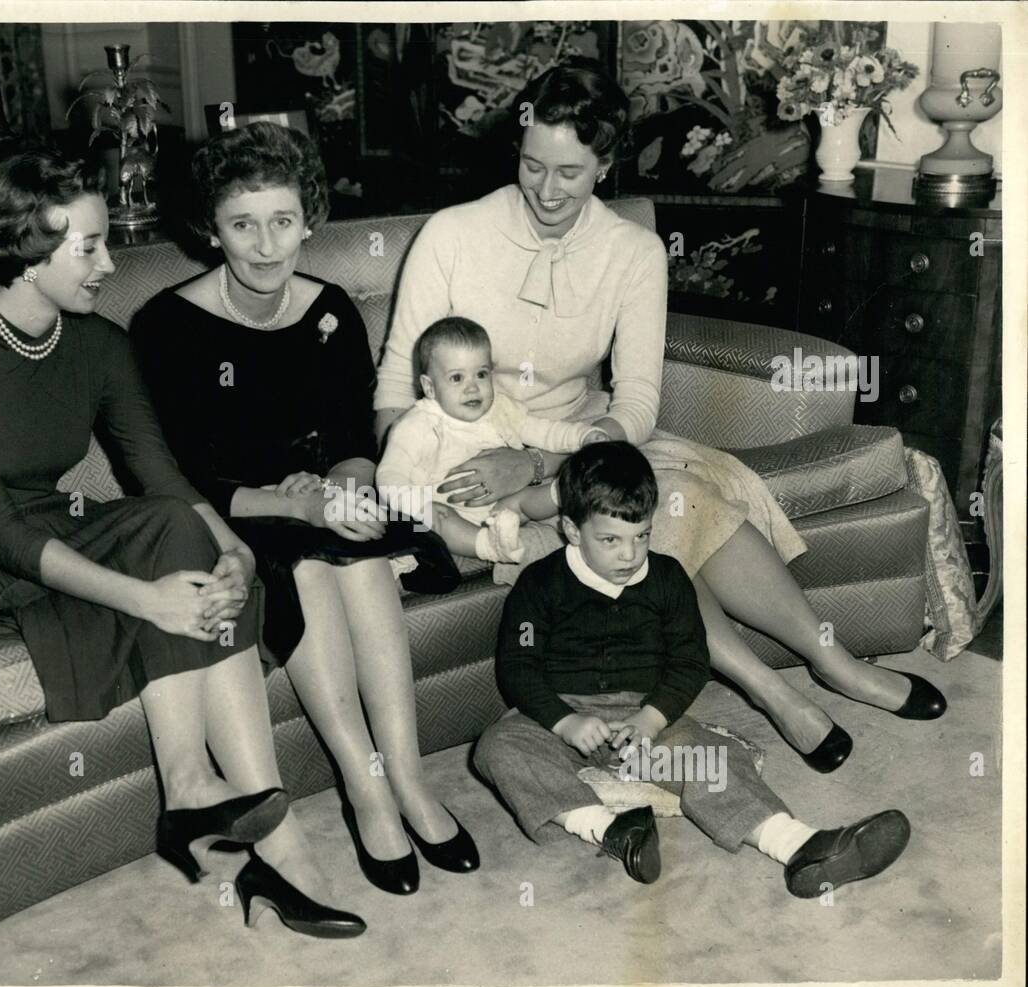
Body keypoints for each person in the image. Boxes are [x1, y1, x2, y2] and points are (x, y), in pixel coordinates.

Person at [374, 58, 946, 775]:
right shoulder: (452, 235)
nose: (547, 191)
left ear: (606, 165)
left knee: (676, 499)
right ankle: (771, 690)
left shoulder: (633, 251)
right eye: (532, 166)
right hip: (469, 460)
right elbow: (395, 393)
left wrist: (558, 463)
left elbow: (637, 401)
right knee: (639, 522)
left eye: (571, 173)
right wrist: (438, 469)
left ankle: (834, 661)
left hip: (578, 440)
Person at [0, 149, 363, 940]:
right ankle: (263, 843)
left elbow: (161, 476)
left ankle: (194, 793)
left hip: (51, 522)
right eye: (90, 247)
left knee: (178, 530)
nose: (112, 262)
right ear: (26, 252)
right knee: (161, 565)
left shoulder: (99, 344)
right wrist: (146, 597)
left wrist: (234, 551)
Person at [130, 122, 479, 897]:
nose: (265, 245)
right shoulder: (166, 328)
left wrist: (344, 488)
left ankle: (409, 782)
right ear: (209, 230)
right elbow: (182, 478)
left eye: (282, 221)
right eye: (242, 224)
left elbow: (355, 438)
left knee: (358, 563)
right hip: (235, 515)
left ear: (308, 218)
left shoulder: (330, 312)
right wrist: (309, 509)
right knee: (313, 565)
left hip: (327, 503)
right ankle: (364, 789)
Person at [475, 442, 913, 896]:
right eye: (610, 540)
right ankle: (609, 830)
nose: (629, 555)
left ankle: (801, 846)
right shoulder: (539, 584)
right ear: (570, 528)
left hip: (645, 715)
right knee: (498, 746)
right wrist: (563, 721)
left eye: (641, 536)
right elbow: (518, 666)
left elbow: (689, 660)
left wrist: (653, 717)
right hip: (560, 711)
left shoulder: (666, 579)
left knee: (713, 759)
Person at [375, 315, 603, 563]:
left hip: (499, 505)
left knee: (528, 498)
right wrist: (417, 506)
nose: (472, 388)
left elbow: (543, 430)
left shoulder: (501, 409)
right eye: (457, 378)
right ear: (429, 387)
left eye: (481, 374)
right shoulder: (417, 425)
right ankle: (488, 546)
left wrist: (583, 437)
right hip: (446, 508)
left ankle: (568, 490)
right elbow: (389, 476)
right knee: (436, 519)